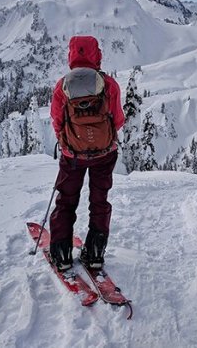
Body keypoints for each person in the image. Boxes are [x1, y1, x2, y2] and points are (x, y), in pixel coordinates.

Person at [49, 35, 125, 271]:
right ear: (96, 55)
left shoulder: (63, 85)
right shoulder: (109, 84)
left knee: (66, 201)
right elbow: (118, 120)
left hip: (72, 156)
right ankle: (94, 253)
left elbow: (57, 121)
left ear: (72, 55)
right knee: (99, 200)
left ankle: (61, 254)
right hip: (104, 154)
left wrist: (68, 142)